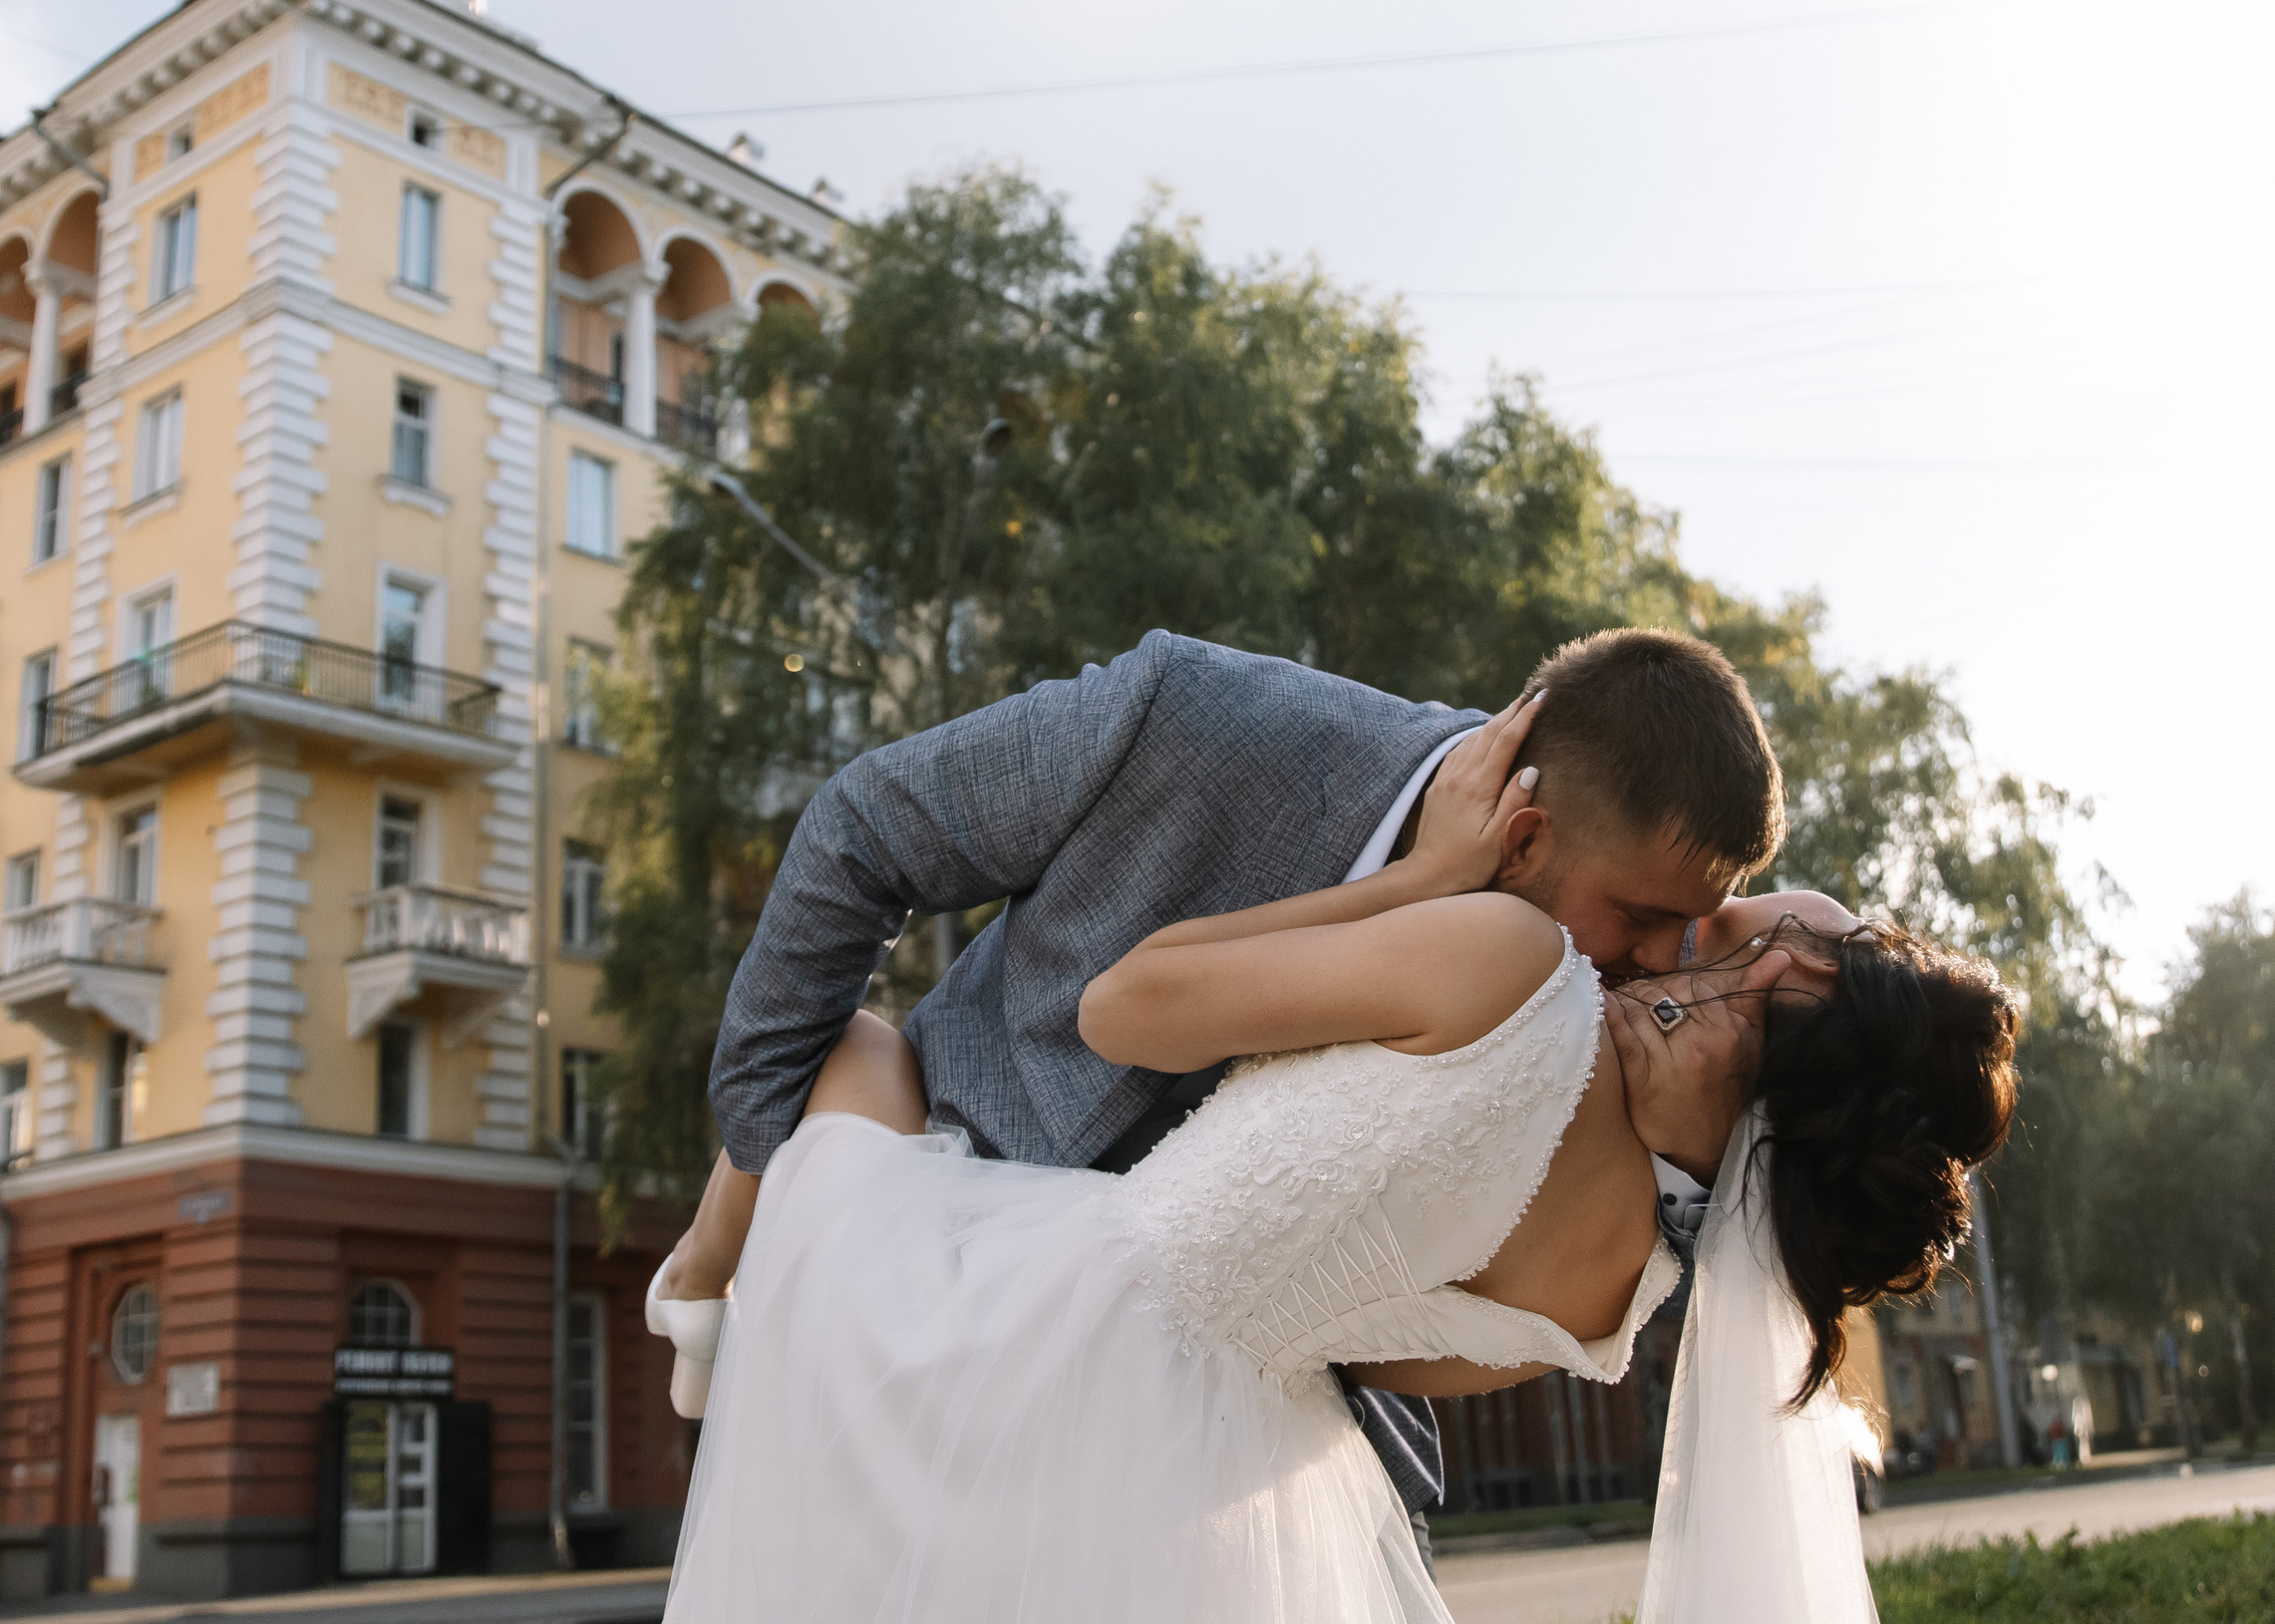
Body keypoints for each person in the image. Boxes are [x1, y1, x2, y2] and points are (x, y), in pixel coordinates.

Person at [651, 624, 1798, 1531]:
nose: (1661, 961)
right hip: (928, 1276)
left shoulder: (1592, 989)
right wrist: (783, 1188)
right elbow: (862, 829)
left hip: (1227, 1454)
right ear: (1529, 833)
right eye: (1646, 918)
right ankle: (702, 1278)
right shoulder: (1187, 714)